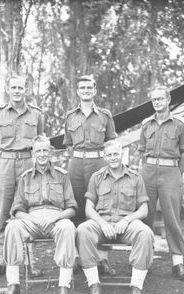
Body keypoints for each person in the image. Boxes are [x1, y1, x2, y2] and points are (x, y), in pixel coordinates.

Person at [0, 136, 78, 294]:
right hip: (31, 221)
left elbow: (71, 208)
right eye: (38, 150)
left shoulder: (62, 176)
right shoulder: (25, 177)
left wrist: (54, 218)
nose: (42, 154)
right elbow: (18, 210)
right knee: (12, 226)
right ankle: (13, 285)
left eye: (45, 150)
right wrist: (34, 219)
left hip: (56, 220)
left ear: (51, 153)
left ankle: (64, 287)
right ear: (33, 153)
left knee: (68, 227)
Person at [76, 140, 154, 294]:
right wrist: (103, 223)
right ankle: (94, 286)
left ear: (122, 154)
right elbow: (89, 209)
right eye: (109, 154)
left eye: (116, 154)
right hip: (103, 224)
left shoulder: (135, 177)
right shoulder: (97, 177)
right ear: (104, 157)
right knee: (82, 230)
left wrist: (127, 220)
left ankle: (136, 289)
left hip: (127, 225)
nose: (113, 158)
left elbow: (144, 209)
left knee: (145, 232)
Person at [0, 74, 43, 278]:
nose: (17, 91)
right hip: (5, 163)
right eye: (14, 88)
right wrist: (0, 154)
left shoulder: (36, 114)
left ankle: (30, 262)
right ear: (8, 90)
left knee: (29, 210)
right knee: (2, 211)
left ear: (26, 89)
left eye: (21, 87)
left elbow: (40, 138)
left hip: (28, 162)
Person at [63, 75, 117, 274]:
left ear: (95, 91)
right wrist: (78, 158)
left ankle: (102, 258)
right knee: (76, 207)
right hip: (76, 164)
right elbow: (68, 143)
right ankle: (78, 256)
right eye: (82, 87)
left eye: (89, 87)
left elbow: (111, 140)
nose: (85, 90)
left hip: (99, 163)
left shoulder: (105, 115)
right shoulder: (70, 116)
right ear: (78, 91)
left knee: (102, 207)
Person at [138, 85, 184, 281]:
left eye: (161, 99)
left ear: (168, 100)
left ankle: (177, 263)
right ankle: (145, 259)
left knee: (172, 218)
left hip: (171, 172)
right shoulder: (146, 124)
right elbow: (142, 151)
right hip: (148, 172)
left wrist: (178, 172)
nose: (157, 102)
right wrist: (147, 170)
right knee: (146, 215)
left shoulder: (179, 124)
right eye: (154, 100)